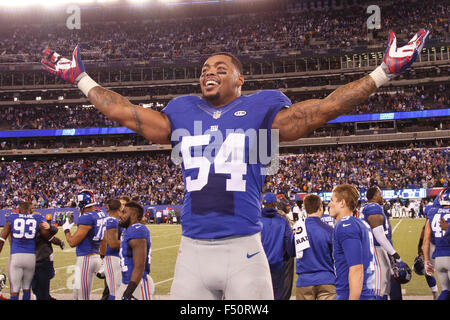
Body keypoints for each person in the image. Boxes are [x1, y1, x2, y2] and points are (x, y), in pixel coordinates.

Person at [40, 29, 428, 299]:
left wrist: (383, 72)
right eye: (205, 69)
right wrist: (80, 78)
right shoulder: (183, 110)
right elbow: (128, 114)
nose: (209, 72)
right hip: (192, 253)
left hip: (243, 251)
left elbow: (323, 109)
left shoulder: (261, 106)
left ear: (241, 78)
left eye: (220, 68)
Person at [328, 184, 377, 300]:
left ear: (342, 203)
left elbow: (356, 269)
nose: (329, 204)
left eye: (332, 200)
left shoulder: (346, 226)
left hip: (353, 294)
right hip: (364, 292)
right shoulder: (359, 223)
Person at [359, 186, 403, 300]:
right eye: (380, 194)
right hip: (376, 250)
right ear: (374, 196)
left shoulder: (368, 207)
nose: (382, 196)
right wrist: (395, 254)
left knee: (384, 286)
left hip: (376, 249)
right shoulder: (373, 207)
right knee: (379, 288)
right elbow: (379, 235)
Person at [0, 202, 51, 300]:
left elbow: (2, 240)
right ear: (30, 210)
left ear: (19, 211)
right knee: (27, 288)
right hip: (30, 258)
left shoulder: (12, 218)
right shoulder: (37, 218)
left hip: (16, 257)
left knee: (14, 289)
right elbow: (48, 235)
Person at [63, 189, 107, 300]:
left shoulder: (86, 217)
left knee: (83, 296)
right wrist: (102, 256)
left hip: (86, 259)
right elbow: (104, 239)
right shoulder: (100, 214)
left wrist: (66, 230)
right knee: (77, 294)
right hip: (95, 255)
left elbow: (72, 242)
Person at [295, 194, 336, 300]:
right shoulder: (329, 230)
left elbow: (291, 251)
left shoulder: (298, 230)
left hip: (304, 280)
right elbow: (336, 256)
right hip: (326, 279)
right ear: (320, 207)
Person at [260, 192, 295, 300]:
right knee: (277, 295)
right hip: (277, 264)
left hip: (259, 264)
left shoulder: (256, 220)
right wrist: (289, 255)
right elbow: (289, 242)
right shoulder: (282, 220)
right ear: (275, 203)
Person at [117, 201, 154, 300]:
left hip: (136, 285)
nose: (120, 215)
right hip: (128, 282)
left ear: (133, 215)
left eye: (124, 212)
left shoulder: (137, 229)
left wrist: (128, 293)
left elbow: (139, 265)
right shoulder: (127, 230)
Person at [423, 188, 450, 300]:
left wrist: (426, 261)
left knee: (445, 291)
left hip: (438, 258)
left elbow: (426, 240)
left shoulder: (432, 213)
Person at [31, 213, 65, 300]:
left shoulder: (27, 229)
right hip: (42, 260)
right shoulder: (42, 231)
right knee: (43, 291)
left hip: (31, 260)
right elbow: (53, 235)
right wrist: (49, 227)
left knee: (37, 289)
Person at [103, 199, 124, 300]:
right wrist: (129, 242)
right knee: (115, 291)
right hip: (113, 258)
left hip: (115, 258)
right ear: (119, 208)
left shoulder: (113, 220)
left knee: (118, 290)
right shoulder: (112, 220)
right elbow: (112, 243)